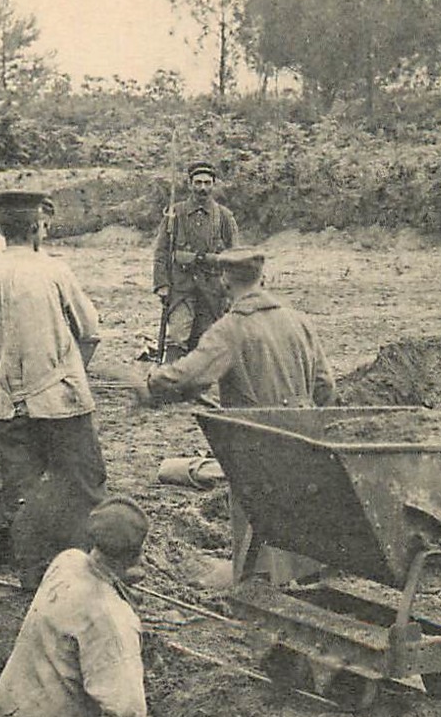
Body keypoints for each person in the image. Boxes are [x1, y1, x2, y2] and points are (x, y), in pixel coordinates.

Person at [136, 249, 337, 584]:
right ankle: (303, 571)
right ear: (263, 278)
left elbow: (190, 375)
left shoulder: (230, 329)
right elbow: (325, 386)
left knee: (254, 509)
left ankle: (257, 575)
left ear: (225, 281)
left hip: (254, 438)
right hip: (303, 432)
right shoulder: (299, 320)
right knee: (297, 503)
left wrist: (154, 382)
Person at [0, 496, 155, 717]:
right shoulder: (112, 619)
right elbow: (125, 709)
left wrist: (118, 578)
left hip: (12, 710)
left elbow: (91, 584)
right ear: (137, 554)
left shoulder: (67, 561)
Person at [0, 190, 106, 589]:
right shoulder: (53, 270)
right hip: (60, 400)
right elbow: (89, 327)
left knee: (25, 490)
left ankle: (33, 575)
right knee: (83, 481)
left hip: (9, 401)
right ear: (35, 228)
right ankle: (85, 571)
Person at [152, 160, 239, 360]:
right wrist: (162, 285)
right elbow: (161, 251)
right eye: (198, 183)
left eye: (207, 183)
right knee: (177, 336)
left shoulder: (224, 217)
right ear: (190, 184)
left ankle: (198, 387)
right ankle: (171, 385)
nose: (202, 188)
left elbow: (235, 256)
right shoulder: (175, 214)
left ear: (214, 184)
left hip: (212, 289)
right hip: (182, 288)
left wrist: (232, 290)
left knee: (207, 339)